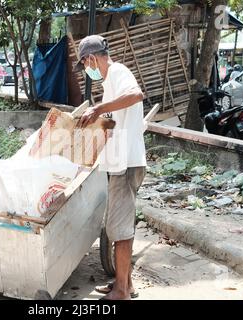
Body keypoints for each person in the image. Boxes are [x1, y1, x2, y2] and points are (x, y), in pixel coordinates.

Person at [74, 35, 146, 300]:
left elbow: (136, 95)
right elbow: (115, 120)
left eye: (85, 65)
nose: (86, 71)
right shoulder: (109, 82)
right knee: (119, 226)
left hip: (127, 164)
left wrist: (98, 108)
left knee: (120, 229)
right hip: (120, 163)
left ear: (90, 59)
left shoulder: (117, 71)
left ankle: (122, 291)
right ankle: (125, 283)